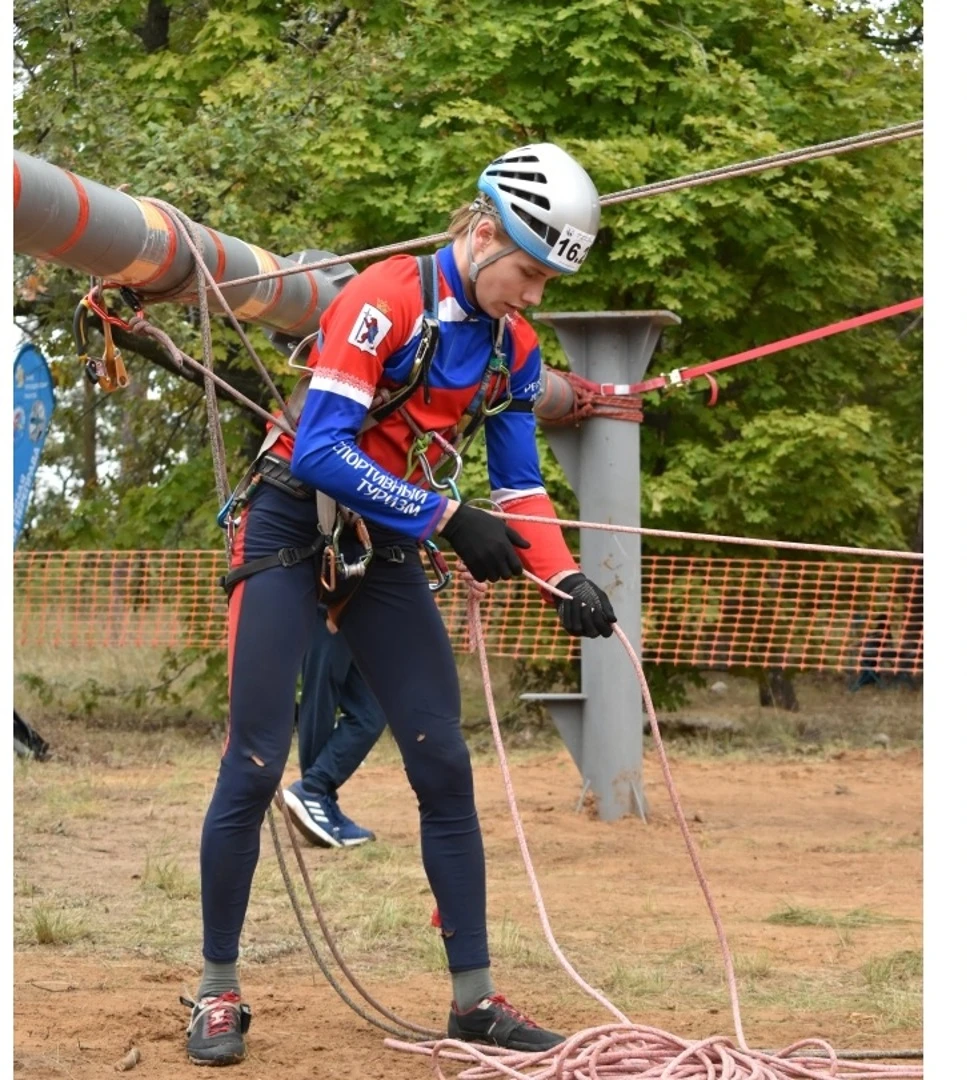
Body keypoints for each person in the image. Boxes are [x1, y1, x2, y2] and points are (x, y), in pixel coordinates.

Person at [186, 143, 620, 1067]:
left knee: (442, 759)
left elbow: (521, 488)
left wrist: (564, 578)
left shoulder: (513, 346)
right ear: (478, 230)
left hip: (384, 541)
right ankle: (218, 991)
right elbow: (319, 451)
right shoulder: (384, 297)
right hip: (289, 527)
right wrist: (444, 514)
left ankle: (474, 1001)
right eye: (529, 273)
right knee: (258, 760)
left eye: (547, 281)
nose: (535, 295)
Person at [281, 605, 386, 848]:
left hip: (360, 606)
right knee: (320, 702)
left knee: (372, 712)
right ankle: (314, 793)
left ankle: (315, 789)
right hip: (330, 600)